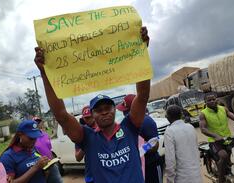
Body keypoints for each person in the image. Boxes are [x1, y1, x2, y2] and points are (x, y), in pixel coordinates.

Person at [34, 26, 150, 183]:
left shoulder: (129, 127)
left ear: (114, 109)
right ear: (92, 115)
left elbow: (142, 96)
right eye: (98, 110)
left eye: (108, 108)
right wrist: (45, 74)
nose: (104, 112)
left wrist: (141, 53)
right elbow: (61, 115)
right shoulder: (87, 137)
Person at [116, 94, 162, 183]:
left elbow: (155, 144)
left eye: (125, 110)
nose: (123, 113)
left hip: (151, 164)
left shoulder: (146, 121)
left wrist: (139, 150)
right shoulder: (127, 123)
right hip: (139, 166)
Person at [164, 105, 202, 183]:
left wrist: (170, 179)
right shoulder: (190, 127)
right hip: (196, 174)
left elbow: (170, 160)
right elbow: (195, 148)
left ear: (167, 117)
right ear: (181, 115)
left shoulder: (169, 131)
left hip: (182, 177)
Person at [33, 116, 63, 183]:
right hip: (41, 167)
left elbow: (49, 149)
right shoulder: (32, 138)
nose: (38, 123)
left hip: (51, 164)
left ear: (41, 123)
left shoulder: (46, 135)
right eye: (35, 122)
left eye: (39, 122)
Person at [75, 106, 97, 183]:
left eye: (90, 117)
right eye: (86, 118)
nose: (89, 120)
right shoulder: (81, 133)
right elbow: (78, 158)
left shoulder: (103, 129)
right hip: (91, 175)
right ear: (83, 118)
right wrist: (85, 144)